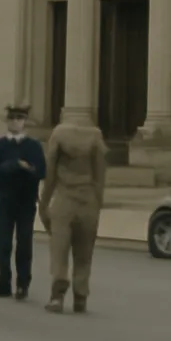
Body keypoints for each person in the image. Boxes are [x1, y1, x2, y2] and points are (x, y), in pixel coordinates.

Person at [39, 122, 107, 314]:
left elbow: (50, 177)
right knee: (84, 253)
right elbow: (100, 177)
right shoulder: (95, 138)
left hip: (64, 200)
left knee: (59, 250)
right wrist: (98, 203)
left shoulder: (58, 136)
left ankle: (57, 296)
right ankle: (80, 297)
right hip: (88, 201)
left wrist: (44, 204)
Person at [0, 104, 46, 299]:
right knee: (3, 242)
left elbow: (41, 171)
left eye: (19, 119)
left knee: (24, 243)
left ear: (25, 122)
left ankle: (22, 283)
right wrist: (10, 166)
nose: (15, 122)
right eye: (12, 119)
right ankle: (4, 281)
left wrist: (28, 168)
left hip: (25, 200)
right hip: (4, 200)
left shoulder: (33, 146)